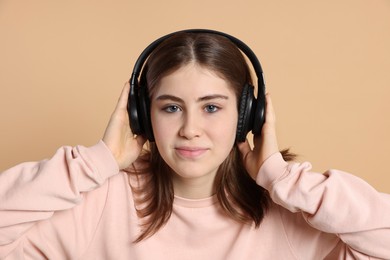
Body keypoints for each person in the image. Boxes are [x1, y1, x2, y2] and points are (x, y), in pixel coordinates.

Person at [0, 31, 389, 260]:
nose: (190, 129)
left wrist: (281, 178)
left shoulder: (290, 212)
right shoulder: (100, 201)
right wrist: (94, 163)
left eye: (212, 108)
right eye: (171, 107)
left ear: (247, 116)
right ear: (141, 115)